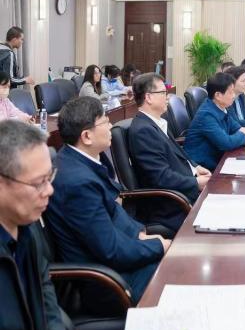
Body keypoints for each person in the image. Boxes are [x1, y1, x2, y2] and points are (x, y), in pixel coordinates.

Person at [46, 97, 169, 302]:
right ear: (87, 136)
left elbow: (113, 211)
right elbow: (111, 250)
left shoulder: (80, 159)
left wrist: (139, 234)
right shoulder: (78, 183)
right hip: (108, 282)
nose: (111, 126)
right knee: (181, 276)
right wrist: (159, 246)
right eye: (105, 122)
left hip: (115, 265)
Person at [0, 120, 70, 330]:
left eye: (50, 177)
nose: (49, 190)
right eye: (39, 182)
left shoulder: (26, 228)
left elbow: (43, 288)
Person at [127, 73, 212, 232]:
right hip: (173, 205)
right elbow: (161, 177)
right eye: (163, 92)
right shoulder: (143, 130)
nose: (168, 96)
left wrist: (195, 167)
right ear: (148, 97)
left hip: (184, 192)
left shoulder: (157, 122)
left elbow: (177, 153)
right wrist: (196, 183)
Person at [184, 72, 245, 169]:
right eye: (230, 92)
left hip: (218, 159)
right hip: (203, 168)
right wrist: (243, 135)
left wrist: (241, 133)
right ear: (218, 95)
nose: (234, 96)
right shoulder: (206, 115)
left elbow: (236, 127)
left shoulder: (222, 107)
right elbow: (226, 143)